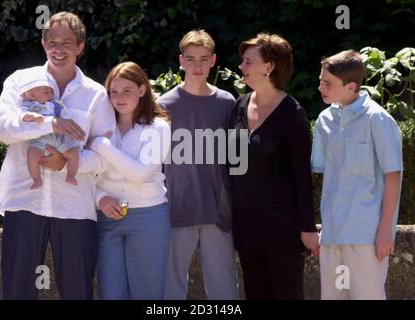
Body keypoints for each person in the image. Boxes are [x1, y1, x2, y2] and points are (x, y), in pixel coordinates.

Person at [0, 11, 116, 299]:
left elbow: (103, 153)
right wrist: (50, 124)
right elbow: (1, 129)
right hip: (23, 200)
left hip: (75, 205)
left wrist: (67, 164)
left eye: (67, 43)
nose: (59, 50)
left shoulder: (96, 95)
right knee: (17, 292)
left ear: (80, 47)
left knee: (77, 292)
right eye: (53, 42)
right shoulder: (20, 81)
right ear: (44, 43)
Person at [230, 33, 319, 300]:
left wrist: (307, 226)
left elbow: (303, 175)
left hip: (284, 231)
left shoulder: (293, 113)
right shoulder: (239, 106)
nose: (241, 67)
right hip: (247, 227)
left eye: (248, 62)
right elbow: (231, 165)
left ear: (268, 67)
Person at [312, 50, 403, 300]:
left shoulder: (378, 119)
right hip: (332, 236)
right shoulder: (324, 120)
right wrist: (325, 229)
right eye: (321, 80)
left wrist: (386, 229)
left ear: (351, 86)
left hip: (367, 235)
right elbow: (329, 178)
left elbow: (393, 175)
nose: (321, 87)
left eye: (328, 83)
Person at [157, 30, 239, 300]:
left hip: (217, 209)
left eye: (204, 59)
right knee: (170, 285)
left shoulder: (227, 102)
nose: (197, 66)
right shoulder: (163, 104)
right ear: (181, 61)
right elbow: (155, 163)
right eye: (191, 59)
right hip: (176, 208)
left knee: (224, 287)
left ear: (214, 60)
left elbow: (236, 160)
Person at [86, 61, 171, 300]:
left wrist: (102, 146)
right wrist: (100, 198)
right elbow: (84, 173)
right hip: (106, 219)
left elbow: (140, 174)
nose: (119, 98)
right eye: (113, 92)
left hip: (149, 218)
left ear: (142, 90)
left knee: (148, 293)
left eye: (127, 91)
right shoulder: (101, 126)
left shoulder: (158, 126)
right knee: (110, 294)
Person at [19, 74, 80, 189]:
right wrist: (32, 116)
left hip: (58, 138)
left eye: (51, 92)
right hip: (40, 140)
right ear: (31, 94)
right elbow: (23, 116)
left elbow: (66, 116)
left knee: (74, 153)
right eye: (45, 92)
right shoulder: (29, 106)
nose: (50, 95)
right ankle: (36, 179)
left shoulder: (55, 105)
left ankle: (71, 175)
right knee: (31, 154)